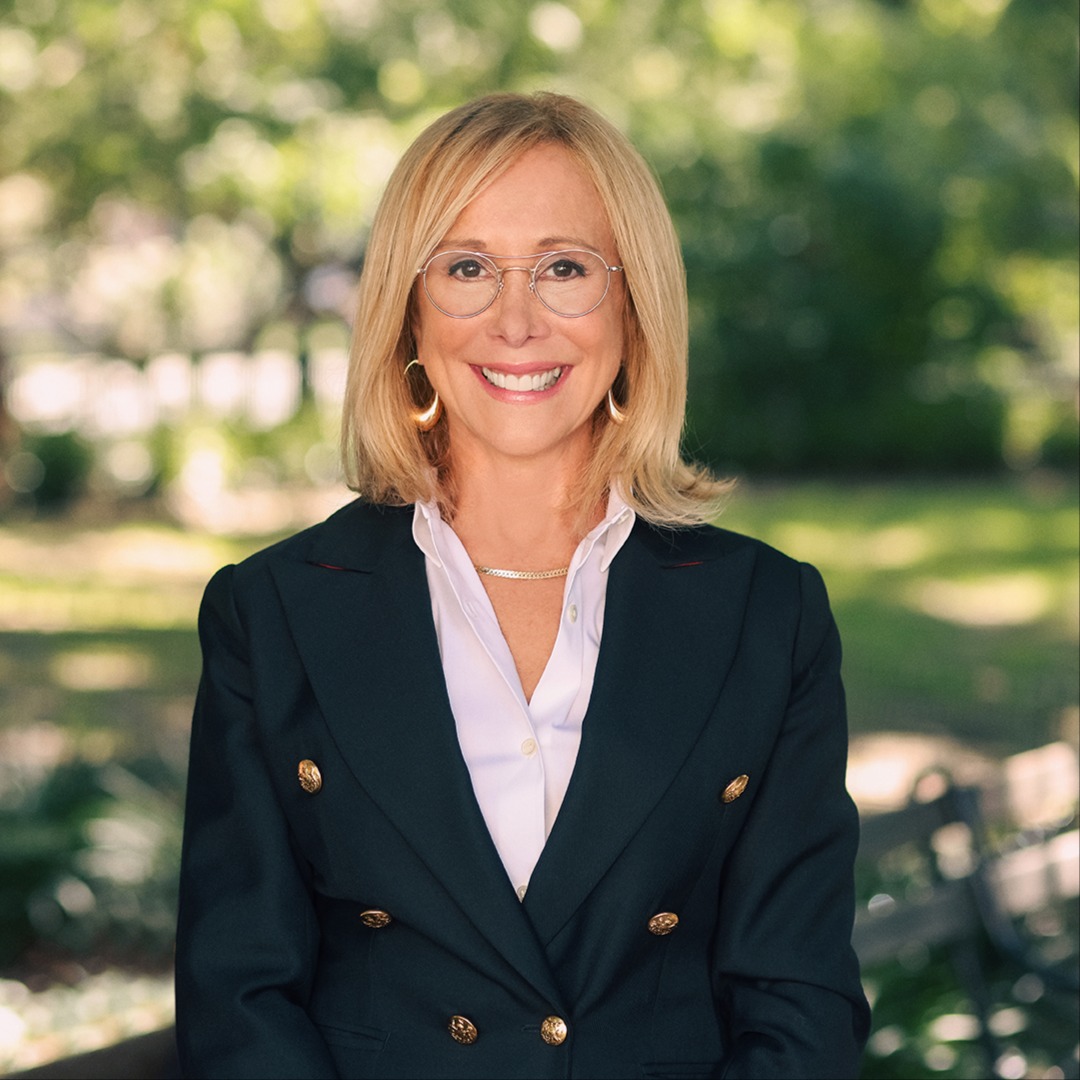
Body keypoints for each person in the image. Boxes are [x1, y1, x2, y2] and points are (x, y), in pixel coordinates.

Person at [175, 91, 870, 1079]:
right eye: (466, 268)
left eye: (564, 268)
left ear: (635, 308)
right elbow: (239, 1005)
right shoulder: (272, 613)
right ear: (406, 312)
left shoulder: (768, 615)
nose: (515, 319)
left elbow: (798, 1003)